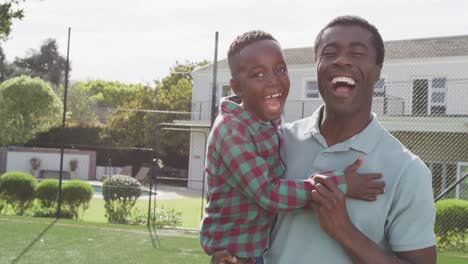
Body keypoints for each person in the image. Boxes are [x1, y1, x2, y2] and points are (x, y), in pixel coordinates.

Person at [212, 16, 437, 264]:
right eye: (330, 53)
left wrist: (344, 231)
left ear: (377, 70)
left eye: (357, 53)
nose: (342, 60)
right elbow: (242, 213)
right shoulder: (278, 141)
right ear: (317, 67)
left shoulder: (408, 170)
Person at [201, 30, 385, 264]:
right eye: (258, 74)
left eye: (280, 70)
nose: (273, 81)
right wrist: (341, 183)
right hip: (237, 256)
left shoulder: (268, 123)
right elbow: (268, 193)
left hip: (262, 251)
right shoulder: (231, 130)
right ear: (237, 87)